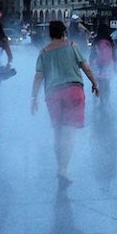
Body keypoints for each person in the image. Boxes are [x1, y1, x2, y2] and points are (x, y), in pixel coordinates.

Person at [30, 20, 100, 185]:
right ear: (64, 32)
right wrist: (94, 83)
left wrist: (33, 98)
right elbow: (86, 67)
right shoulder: (72, 46)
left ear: (50, 34)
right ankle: (63, 169)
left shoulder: (44, 52)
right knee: (68, 133)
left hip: (53, 94)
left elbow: (38, 76)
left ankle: (59, 167)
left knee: (58, 132)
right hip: (73, 91)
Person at [89, 23, 117, 104]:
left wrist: (90, 65)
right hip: (107, 65)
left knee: (96, 83)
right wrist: (115, 67)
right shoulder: (110, 41)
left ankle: (96, 101)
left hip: (97, 65)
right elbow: (114, 55)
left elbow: (92, 54)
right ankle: (106, 101)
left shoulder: (96, 40)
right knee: (107, 83)